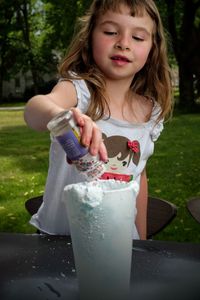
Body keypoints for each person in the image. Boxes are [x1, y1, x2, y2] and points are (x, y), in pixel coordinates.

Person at [24, 0, 172, 240]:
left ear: (153, 48)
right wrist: (61, 115)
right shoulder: (77, 92)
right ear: (90, 36)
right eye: (111, 32)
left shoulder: (150, 112)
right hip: (62, 240)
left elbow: (139, 177)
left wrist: (141, 242)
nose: (123, 43)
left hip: (119, 240)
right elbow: (33, 110)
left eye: (138, 37)